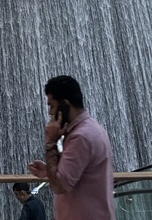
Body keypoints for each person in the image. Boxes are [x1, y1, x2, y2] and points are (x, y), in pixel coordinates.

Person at [27, 75, 114, 219]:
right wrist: (49, 171)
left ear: (64, 105)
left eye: (51, 106)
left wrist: (50, 143)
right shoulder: (91, 129)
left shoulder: (80, 137)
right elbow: (76, 172)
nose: (50, 112)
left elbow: (60, 185)